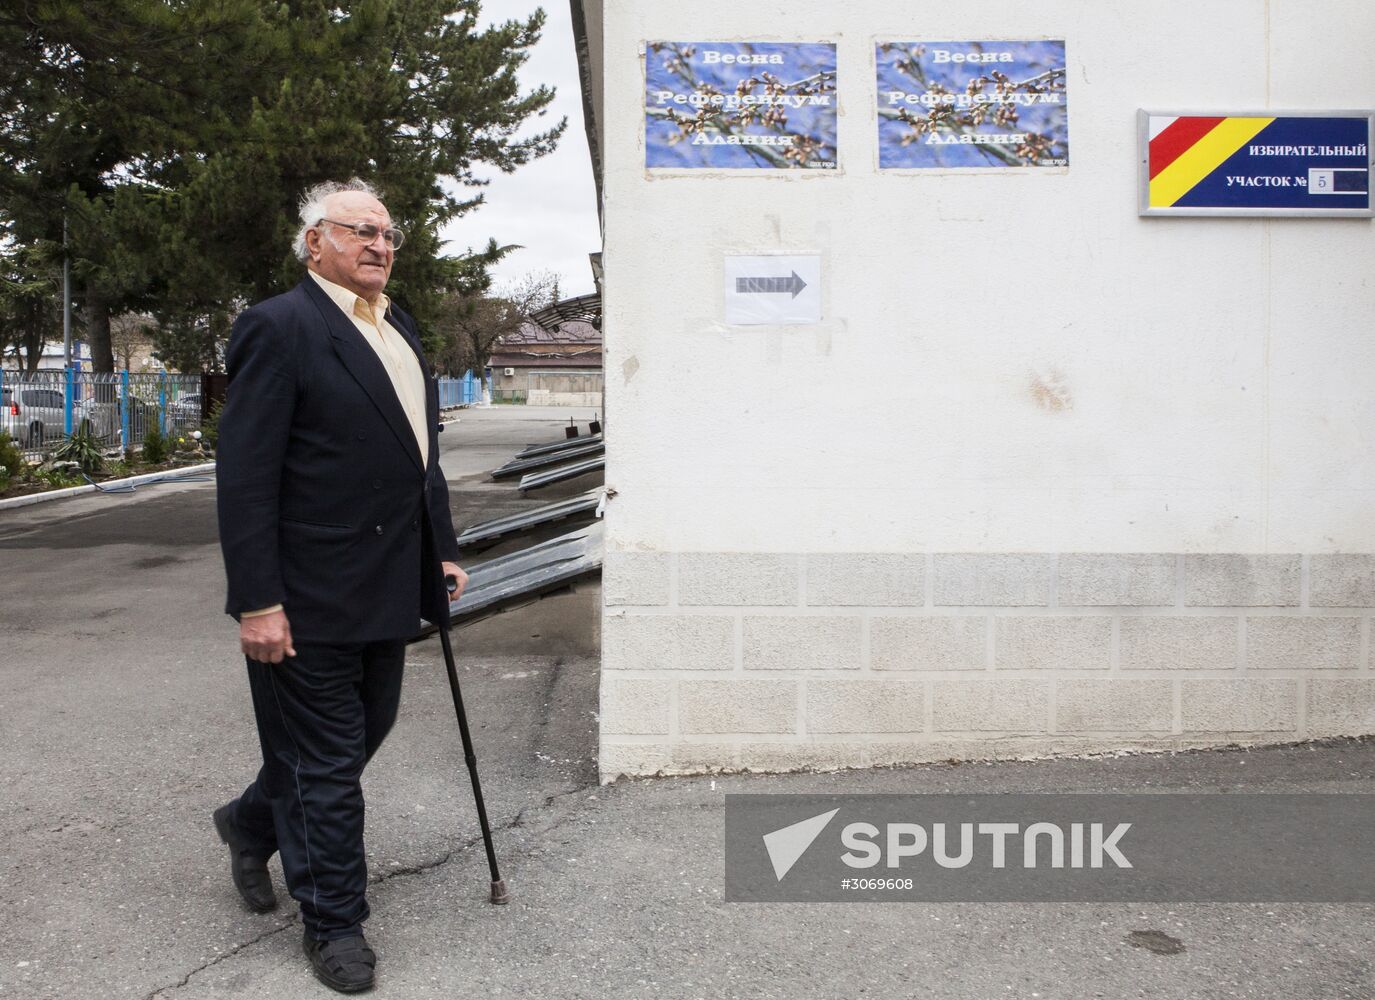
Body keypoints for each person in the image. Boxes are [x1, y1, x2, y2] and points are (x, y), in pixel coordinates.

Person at [213, 178, 467, 994]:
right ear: (314, 241)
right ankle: (334, 924)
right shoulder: (278, 327)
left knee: (356, 738)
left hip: (389, 584)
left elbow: (418, 455)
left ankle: (248, 821)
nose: (378, 246)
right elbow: (245, 477)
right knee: (326, 768)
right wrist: (258, 600)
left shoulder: (397, 325)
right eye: (360, 231)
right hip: (304, 595)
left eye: (387, 234)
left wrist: (442, 549)